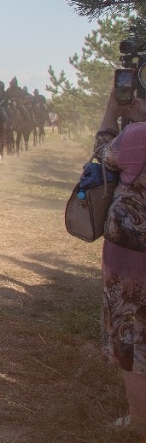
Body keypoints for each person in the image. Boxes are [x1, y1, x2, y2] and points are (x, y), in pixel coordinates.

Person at [94, 88, 146, 429]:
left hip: (132, 258)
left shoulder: (138, 135)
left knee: (133, 331)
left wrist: (111, 113)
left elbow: (102, 157)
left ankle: (141, 419)